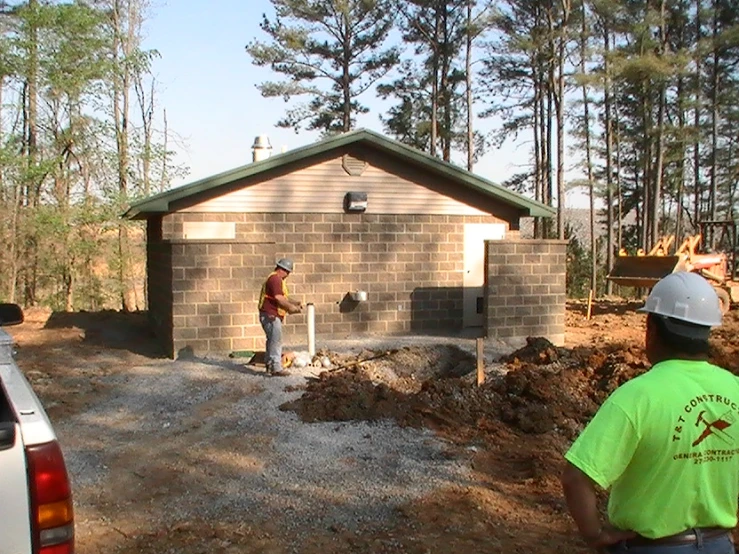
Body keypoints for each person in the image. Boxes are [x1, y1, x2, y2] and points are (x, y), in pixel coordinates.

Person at [561, 271, 737, 554]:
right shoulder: (735, 389)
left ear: (651, 329)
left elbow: (575, 477)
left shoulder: (638, 395)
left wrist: (594, 534)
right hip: (720, 545)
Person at [258, 258, 302, 376]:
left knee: (272, 339)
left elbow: (282, 296)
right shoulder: (275, 279)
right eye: (288, 272)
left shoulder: (275, 279)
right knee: (276, 341)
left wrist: (294, 302)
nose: (288, 275)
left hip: (269, 314)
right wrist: (291, 308)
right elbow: (279, 298)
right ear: (282, 269)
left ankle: (269, 364)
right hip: (271, 315)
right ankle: (276, 367)